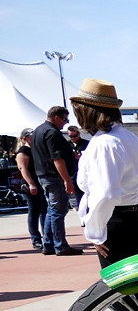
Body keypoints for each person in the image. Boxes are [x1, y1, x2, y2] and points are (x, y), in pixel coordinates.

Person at [71, 78, 138, 268]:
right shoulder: (128, 137)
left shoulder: (104, 143)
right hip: (134, 219)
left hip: (116, 222)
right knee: (132, 289)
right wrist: (132, 199)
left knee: (118, 291)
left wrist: (96, 232)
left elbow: (106, 194)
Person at [31, 105, 82, 255]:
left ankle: (49, 244)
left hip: (44, 175)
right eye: (65, 120)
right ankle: (60, 245)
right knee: (58, 211)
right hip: (54, 177)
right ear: (56, 117)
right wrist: (67, 180)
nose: (65, 123)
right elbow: (57, 158)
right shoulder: (52, 133)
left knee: (52, 210)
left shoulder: (38, 130)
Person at [15, 128, 47, 250]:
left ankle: (47, 237)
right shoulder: (23, 151)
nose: (34, 137)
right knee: (34, 212)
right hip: (31, 185)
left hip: (41, 183)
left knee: (45, 210)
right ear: (25, 138)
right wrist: (31, 184)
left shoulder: (36, 149)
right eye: (31, 135)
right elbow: (23, 168)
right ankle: (36, 239)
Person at [67, 125, 88, 207]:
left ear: (79, 134)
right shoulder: (66, 145)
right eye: (70, 136)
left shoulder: (86, 143)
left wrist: (81, 156)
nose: (73, 138)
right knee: (77, 195)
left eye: (74, 136)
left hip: (84, 172)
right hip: (73, 173)